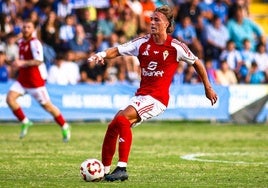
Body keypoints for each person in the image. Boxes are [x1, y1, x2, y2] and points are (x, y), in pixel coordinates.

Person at [87, 5, 218, 182]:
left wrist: (207, 87)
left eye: (157, 20)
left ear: (167, 24)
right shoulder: (142, 43)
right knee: (113, 126)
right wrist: (101, 54)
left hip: (157, 99)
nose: (152, 22)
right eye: (152, 19)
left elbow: (197, 63)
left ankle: (122, 168)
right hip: (141, 95)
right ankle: (103, 170)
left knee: (122, 120)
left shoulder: (175, 47)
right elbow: (117, 50)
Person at [5, 19, 71, 142]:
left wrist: (22, 62)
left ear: (33, 30)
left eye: (28, 27)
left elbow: (39, 60)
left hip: (35, 82)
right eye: (24, 27)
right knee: (9, 99)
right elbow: (22, 60)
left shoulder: (35, 43)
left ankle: (64, 125)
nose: (25, 29)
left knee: (48, 106)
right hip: (22, 80)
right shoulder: (21, 42)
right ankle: (25, 121)